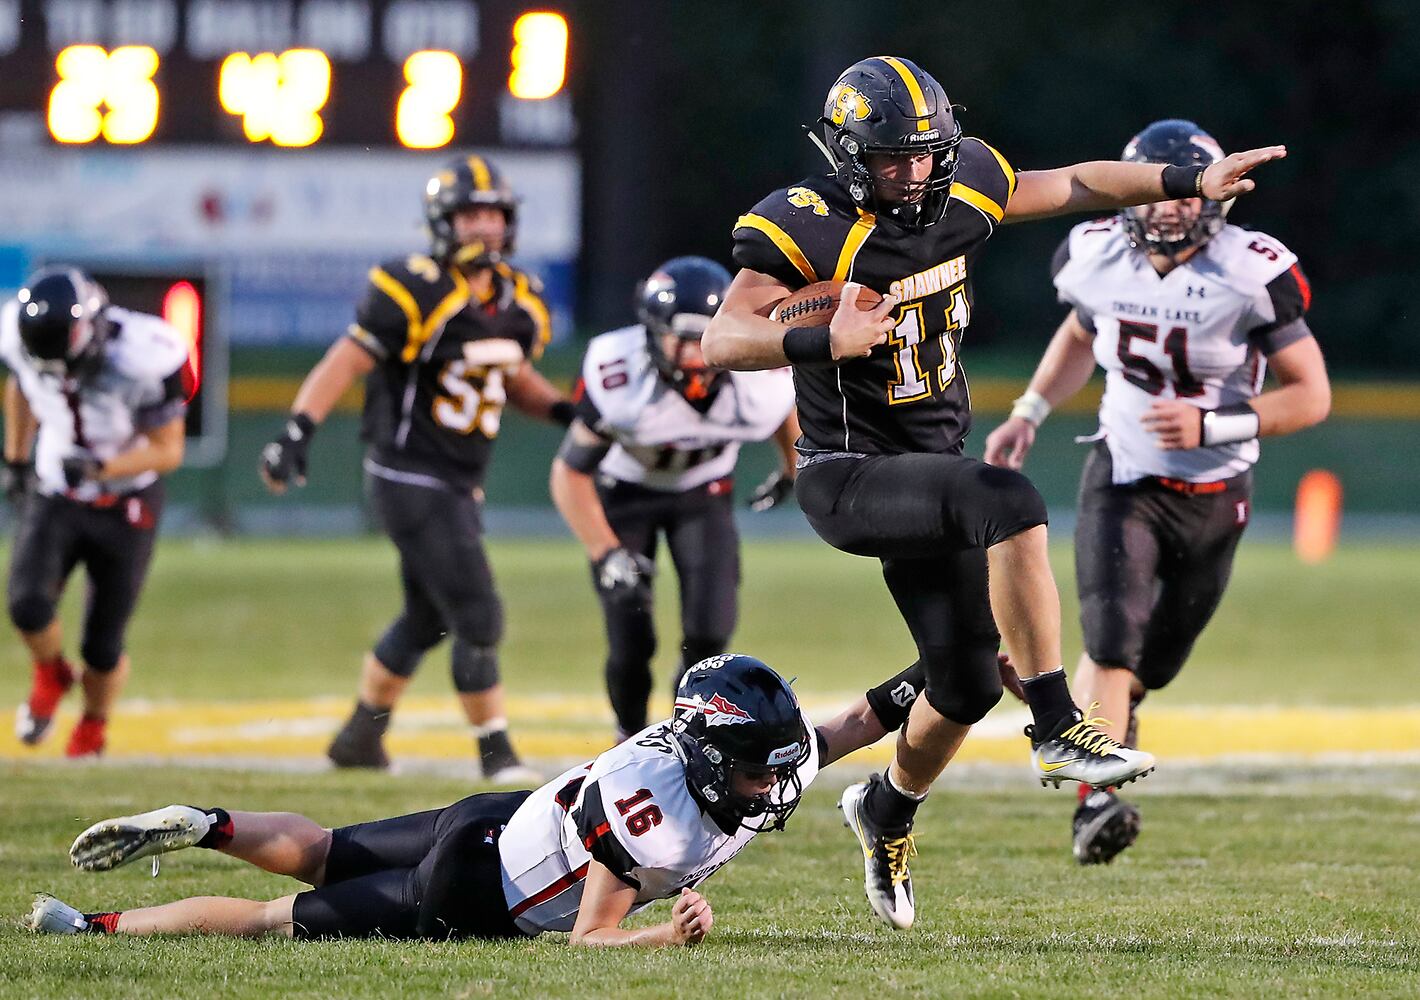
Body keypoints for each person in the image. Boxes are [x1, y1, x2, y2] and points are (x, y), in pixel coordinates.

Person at [702, 55, 1286, 929]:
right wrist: (820, 339)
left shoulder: (964, 178)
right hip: (848, 474)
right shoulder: (806, 223)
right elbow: (724, 338)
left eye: (927, 152)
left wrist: (1190, 178)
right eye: (894, 156)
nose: (916, 170)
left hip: (933, 466)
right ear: (849, 154)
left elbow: (1081, 181)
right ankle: (1057, 721)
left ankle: (885, 808)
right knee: (1009, 502)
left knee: (966, 683)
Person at [28, 654, 927, 945]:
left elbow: (855, 722)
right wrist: (668, 934)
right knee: (278, 915)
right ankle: (97, 926)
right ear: (706, 757)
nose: (773, 788)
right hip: (475, 889)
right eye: (755, 773)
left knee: (324, 844)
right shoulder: (658, 818)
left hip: (494, 816)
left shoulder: (721, 764)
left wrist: (956, 673)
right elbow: (591, 945)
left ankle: (210, 823)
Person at [982, 119, 1330, 865]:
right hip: (1123, 474)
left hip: (1216, 490)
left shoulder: (1253, 272)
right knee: (1110, 640)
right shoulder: (1096, 255)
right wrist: (1029, 410)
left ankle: (1107, 718)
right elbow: (1081, 333)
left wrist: (1217, 420)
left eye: (1183, 197)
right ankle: (1094, 802)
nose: (1168, 212)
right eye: (1156, 195)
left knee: (1150, 668)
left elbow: (1313, 395)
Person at [259, 155, 575, 782]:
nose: (481, 227)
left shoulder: (520, 300)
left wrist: (569, 412)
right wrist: (297, 430)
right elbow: (346, 360)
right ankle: (497, 754)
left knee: (427, 617)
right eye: (468, 215)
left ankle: (358, 737)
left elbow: (510, 377)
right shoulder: (414, 286)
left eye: (490, 214)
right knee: (478, 613)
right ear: (443, 223)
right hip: (408, 474)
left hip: (460, 480)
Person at [550, 256, 800, 739]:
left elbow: (781, 412)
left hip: (702, 497)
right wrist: (606, 553)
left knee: (710, 632)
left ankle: (690, 736)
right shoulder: (620, 373)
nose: (692, 354)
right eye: (680, 338)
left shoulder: (757, 380)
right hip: (624, 496)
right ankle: (628, 736)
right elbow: (569, 472)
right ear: (650, 333)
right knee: (630, 635)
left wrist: (791, 469)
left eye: (703, 338)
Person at [2, 267, 189, 757]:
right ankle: (50, 674)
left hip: (128, 498)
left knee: (103, 644)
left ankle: (91, 727)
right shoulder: (17, 336)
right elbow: (20, 387)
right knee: (26, 603)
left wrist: (101, 467)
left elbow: (168, 451)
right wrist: (17, 460)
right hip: (58, 489)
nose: (61, 375)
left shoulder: (145, 355)